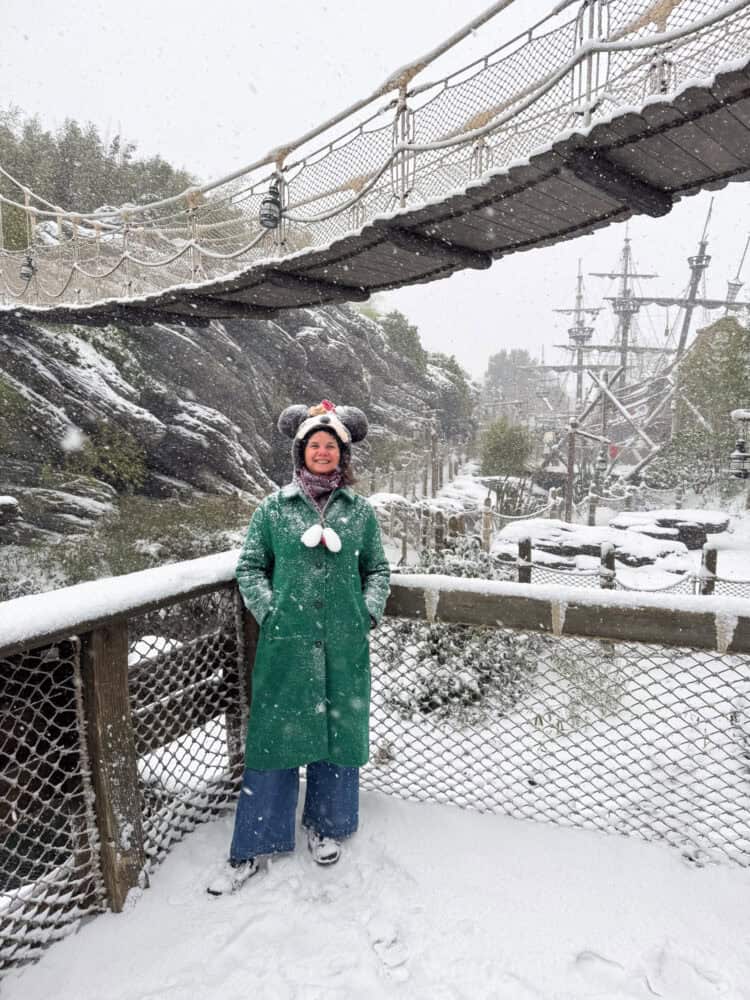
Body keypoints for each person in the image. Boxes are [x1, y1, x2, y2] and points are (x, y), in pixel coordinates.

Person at [208, 400, 390, 895]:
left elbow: (377, 570)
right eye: (315, 445)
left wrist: (366, 611)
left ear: (343, 455)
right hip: (285, 645)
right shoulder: (273, 509)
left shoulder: (360, 513)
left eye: (332, 446)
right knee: (274, 737)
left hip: (343, 643)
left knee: (338, 728)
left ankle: (327, 825)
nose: (323, 452)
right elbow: (249, 567)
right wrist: (271, 611)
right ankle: (255, 841)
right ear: (301, 452)